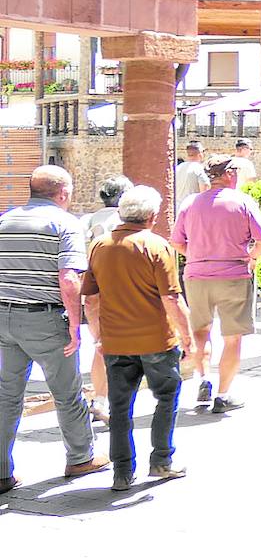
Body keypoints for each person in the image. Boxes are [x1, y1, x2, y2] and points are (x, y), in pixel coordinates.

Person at [0, 166, 110, 495]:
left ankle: (1, 472)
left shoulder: (5, 220)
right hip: (45, 319)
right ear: (62, 193)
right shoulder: (65, 223)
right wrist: (76, 327)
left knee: (6, 397)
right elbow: (69, 278)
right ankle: (80, 457)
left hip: (4, 318)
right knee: (67, 393)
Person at [81, 186, 193, 491]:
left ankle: (122, 472)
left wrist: (98, 336)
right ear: (152, 216)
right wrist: (187, 337)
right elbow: (171, 299)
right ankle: (161, 461)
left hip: (116, 342)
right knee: (166, 398)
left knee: (119, 408)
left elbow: (90, 301)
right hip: (157, 339)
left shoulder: (99, 246)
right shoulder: (157, 246)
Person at [170, 155, 261, 414]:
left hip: (197, 276)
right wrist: (251, 258)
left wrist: (194, 256)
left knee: (200, 332)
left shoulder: (190, 203)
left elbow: (177, 241)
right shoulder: (243, 202)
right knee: (232, 338)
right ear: (228, 174)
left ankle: (204, 379)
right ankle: (223, 395)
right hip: (233, 274)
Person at [79, 175, 133, 424]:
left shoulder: (86, 220)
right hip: (119, 291)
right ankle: (113, 404)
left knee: (101, 346)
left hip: (92, 291)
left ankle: (100, 400)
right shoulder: (124, 222)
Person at [174, 140, 210, 211]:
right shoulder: (198, 169)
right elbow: (205, 190)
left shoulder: (178, 168)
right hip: (192, 208)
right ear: (200, 154)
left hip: (178, 209)